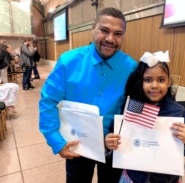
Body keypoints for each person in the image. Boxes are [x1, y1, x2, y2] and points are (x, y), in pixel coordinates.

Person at [39, 7, 138, 183]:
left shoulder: (131, 68)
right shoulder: (68, 62)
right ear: (93, 27)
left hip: (114, 145)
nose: (110, 39)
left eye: (118, 33)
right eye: (104, 30)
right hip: (77, 143)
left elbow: (149, 101)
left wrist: (180, 121)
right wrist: (56, 141)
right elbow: (49, 101)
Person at [105, 51, 185, 183]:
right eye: (148, 80)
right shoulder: (133, 107)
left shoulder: (177, 112)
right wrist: (110, 141)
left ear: (168, 81)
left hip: (166, 179)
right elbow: (119, 136)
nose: (154, 85)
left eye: (161, 80)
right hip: (134, 177)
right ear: (140, 82)